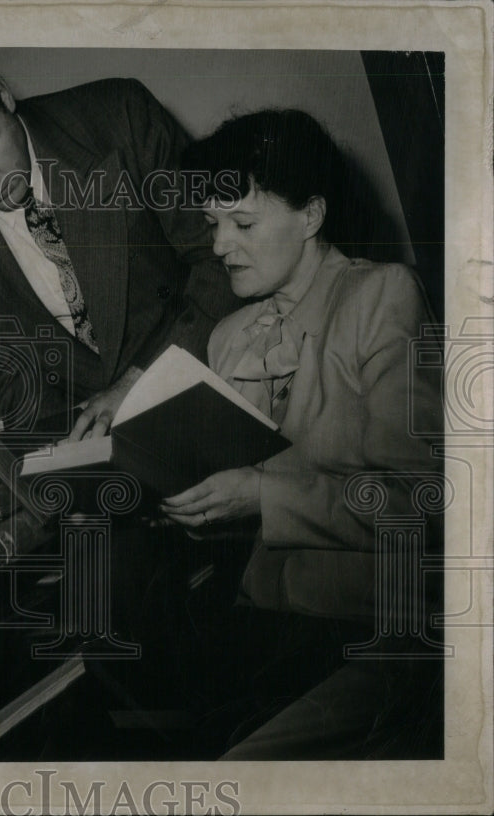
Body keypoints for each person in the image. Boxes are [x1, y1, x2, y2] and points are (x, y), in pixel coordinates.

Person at [155, 109, 444, 758]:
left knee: (238, 774)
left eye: (243, 223)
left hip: (379, 630)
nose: (219, 245)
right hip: (267, 631)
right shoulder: (230, 337)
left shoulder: (382, 297)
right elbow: (238, 508)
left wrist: (263, 496)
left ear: (311, 217)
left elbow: (423, 510)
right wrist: (197, 503)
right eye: (212, 224)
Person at [0, 47, 240, 438]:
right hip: (92, 433)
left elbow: (218, 259)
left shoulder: (121, 117)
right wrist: (57, 457)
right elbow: (12, 376)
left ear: (2, 95)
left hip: (211, 372)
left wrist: (142, 382)